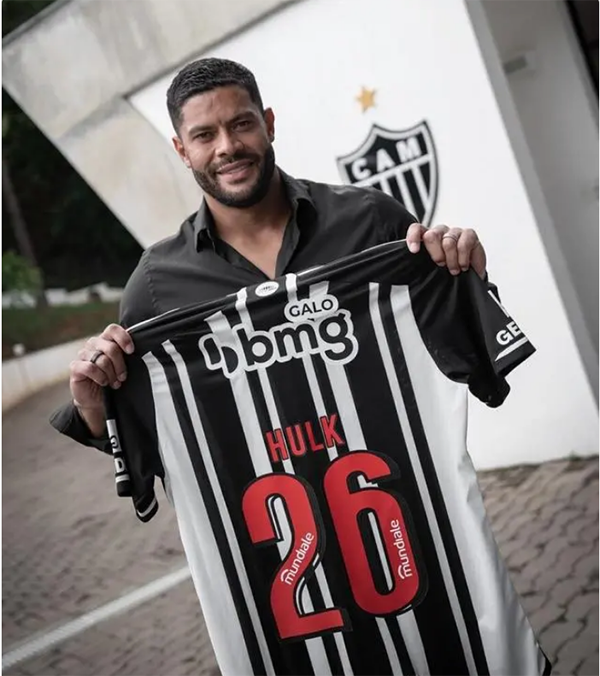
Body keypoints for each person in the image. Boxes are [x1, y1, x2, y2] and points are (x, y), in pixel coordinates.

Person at [50, 56, 488, 452]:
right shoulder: (155, 285)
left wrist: (468, 276)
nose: (227, 146)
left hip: (407, 493)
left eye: (241, 124)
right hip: (265, 515)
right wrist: (92, 408)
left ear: (269, 124)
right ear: (182, 150)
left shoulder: (371, 220)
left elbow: (466, 353)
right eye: (204, 135)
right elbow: (150, 440)